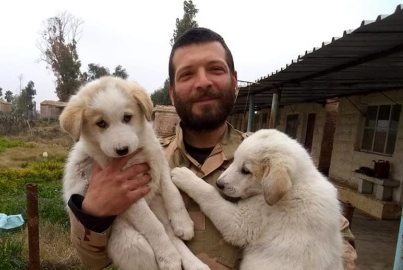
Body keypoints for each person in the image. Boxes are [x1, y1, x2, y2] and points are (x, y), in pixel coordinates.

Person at [66, 27, 357, 270]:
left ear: (234, 82)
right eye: (187, 74)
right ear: (172, 91)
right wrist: (94, 213)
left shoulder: (266, 157)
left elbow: (337, 241)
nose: (203, 82)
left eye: (215, 70)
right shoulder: (135, 160)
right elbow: (93, 260)